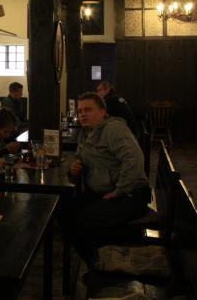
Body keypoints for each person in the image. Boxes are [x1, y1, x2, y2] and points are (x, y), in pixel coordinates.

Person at [64, 92, 150, 262]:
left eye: (88, 110)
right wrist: (73, 166)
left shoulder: (113, 129)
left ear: (103, 112)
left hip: (131, 193)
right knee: (64, 210)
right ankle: (94, 258)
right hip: (102, 191)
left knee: (85, 219)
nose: (82, 114)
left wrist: (119, 190)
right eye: (80, 111)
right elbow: (77, 157)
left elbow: (134, 159)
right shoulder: (85, 133)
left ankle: (103, 262)